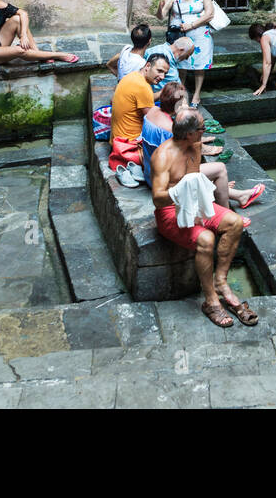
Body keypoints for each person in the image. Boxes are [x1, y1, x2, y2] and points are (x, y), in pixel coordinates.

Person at [150, 107, 257, 329]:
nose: (205, 131)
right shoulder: (162, 156)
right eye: (202, 128)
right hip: (170, 211)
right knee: (206, 239)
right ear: (189, 133)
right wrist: (183, 192)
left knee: (234, 222)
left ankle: (220, 282)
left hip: (195, 205)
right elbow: (158, 199)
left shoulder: (195, 145)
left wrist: (198, 198)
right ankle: (210, 301)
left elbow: (194, 177)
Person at [141, 83, 264, 211]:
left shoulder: (153, 111)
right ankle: (233, 201)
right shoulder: (169, 129)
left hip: (149, 172)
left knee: (212, 178)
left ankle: (231, 192)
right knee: (219, 169)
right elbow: (185, 163)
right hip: (165, 182)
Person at [156, 0, 215, 107]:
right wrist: (160, 8)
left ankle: (196, 95)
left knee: (199, 67)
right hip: (180, 36)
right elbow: (162, 16)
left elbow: (210, 13)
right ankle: (181, 93)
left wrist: (192, 25)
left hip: (200, 34)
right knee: (181, 66)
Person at [109, 53, 170, 176]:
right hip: (129, 144)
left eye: (165, 73)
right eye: (159, 71)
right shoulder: (143, 87)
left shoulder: (132, 76)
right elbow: (153, 122)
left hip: (116, 138)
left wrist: (162, 92)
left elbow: (144, 99)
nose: (162, 76)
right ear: (148, 66)